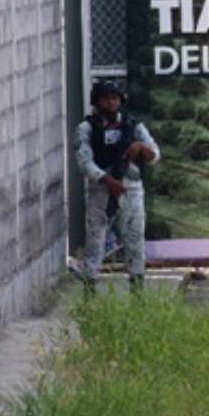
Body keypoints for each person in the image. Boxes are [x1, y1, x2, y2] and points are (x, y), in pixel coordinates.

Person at [74, 80, 158, 290]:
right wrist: (107, 180)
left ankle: (137, 285)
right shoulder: (87, 128)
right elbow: (84, 161)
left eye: (115, 98)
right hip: (101, 189)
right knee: (95, 239)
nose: (111, 102)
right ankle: (89, 286)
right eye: (106, 98)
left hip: (130, 187)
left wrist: (139, 147)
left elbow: (155, 155)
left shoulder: (133, 125)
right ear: (97, 101)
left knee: (134, 237)